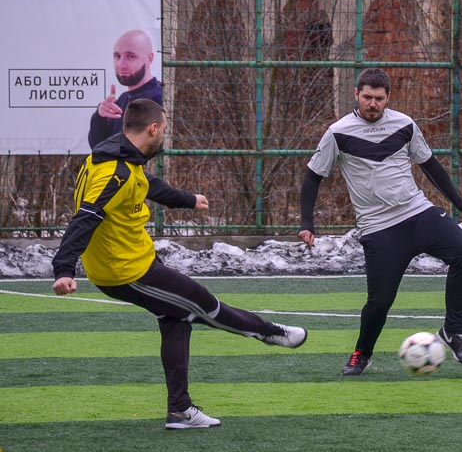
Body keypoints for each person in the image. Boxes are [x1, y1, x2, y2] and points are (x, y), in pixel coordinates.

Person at [53, 98, 307, 429]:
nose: (164, 137)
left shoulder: (119, 156)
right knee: (203, 305)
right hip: (126, 272)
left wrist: (187, 199)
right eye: (165, 131)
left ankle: (180, 411)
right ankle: (269, 333)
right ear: (153, 129)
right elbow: (85, 218)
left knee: (175, 319)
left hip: (136, 262)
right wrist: (64, 269)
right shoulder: (113, 172)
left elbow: (146, 185)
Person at [298, 68, 462, 376]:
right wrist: (307, 222)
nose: (373, 104)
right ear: (356, 95)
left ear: (387, 98)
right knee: (380, 301)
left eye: (379, 99)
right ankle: (362, 353)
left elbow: (430, 165)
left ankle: (454, 332)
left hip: (417, 213)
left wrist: (459, 202)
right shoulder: (338, 132)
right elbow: (313, 177)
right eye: (367, 97)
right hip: (378, 228)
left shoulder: (405, 125)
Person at [88, 30, 163, 148]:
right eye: (117, 56)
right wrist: (100, 116)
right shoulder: (124, 98)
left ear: (149, 59)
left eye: (130, 56)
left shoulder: (158, 98)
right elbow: (98, 146)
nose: (121, 65)